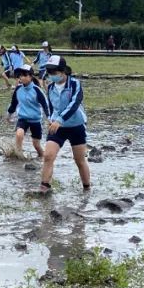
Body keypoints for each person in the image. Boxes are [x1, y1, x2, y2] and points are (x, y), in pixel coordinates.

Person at [36, 55, 91, 193]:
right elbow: (50, 106)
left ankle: (87, 187)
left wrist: (60, 120)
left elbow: (74, 104)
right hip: (57, 127)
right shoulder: (50, 88)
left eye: (54, 72)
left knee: (79, 160)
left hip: (76, 126)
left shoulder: (74, 84)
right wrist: (50, 118)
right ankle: (44, 186)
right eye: (49, 73)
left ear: (63, 71)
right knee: (48, 156)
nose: (52, 75)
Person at [7, 65, 49, 159]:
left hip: (35, 120)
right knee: (19, 133)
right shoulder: (18, 89)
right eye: (20, 75)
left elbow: (45, 105)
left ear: (30, 76)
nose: (21, 77)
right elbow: (13, 104)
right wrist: (9, 115)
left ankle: (42, 158)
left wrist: (49, 119)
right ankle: (19, 154)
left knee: (36, 145)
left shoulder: (37, 90)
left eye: (24, 75)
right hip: (23, 118)